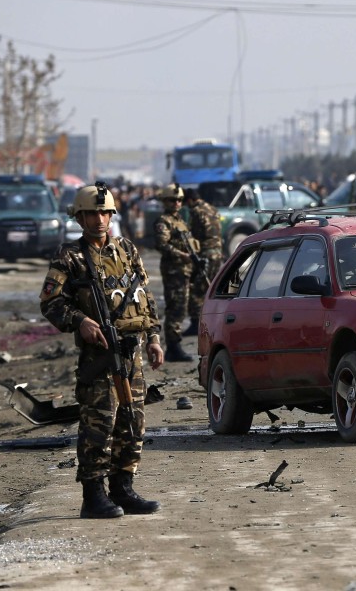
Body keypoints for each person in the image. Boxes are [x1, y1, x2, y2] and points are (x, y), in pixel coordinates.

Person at [39, 181, 164, 519]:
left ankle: (123, 488)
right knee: (99, 423)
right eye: (91, 213)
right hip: (99, 355)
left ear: (112, 215)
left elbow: (145, 296)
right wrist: (79, 321)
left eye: (104, 212)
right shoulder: (70, 256)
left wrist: (154, 337)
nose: (99, 219)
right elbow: (50, 303)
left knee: (132, 420)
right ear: (79, 218)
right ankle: (93, 495)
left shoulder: (126, 249)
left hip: (132, 350)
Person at [153, 183, 197, 361]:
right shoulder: (164, 221)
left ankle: (175, 345)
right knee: (175, 309)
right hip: (174, 270)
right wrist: (181, 255)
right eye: (172, 200)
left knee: (182, 307)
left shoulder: (179, 220)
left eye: (179, 200)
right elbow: (162, 244)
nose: (177, 203)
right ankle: (173, 347)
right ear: (164, 201)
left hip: (184, 270)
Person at [182, 188, 222, 337]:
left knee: (196, 291)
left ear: (190, 200)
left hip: (205, 256)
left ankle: (196, 324)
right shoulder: (212, 208)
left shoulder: (196, 212)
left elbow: (195, 236)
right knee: (212, 288)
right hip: (217, 254)